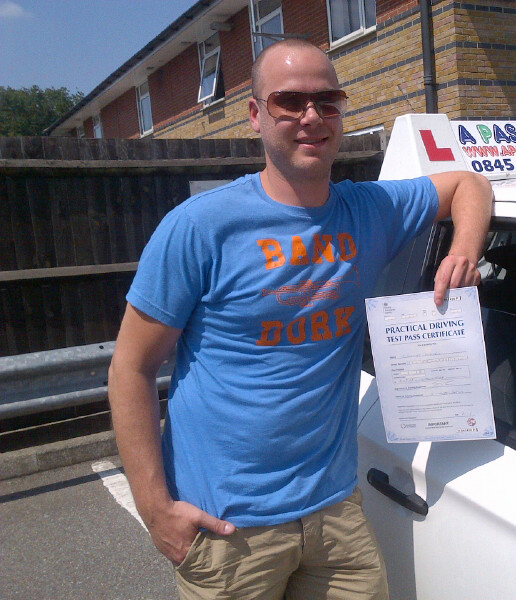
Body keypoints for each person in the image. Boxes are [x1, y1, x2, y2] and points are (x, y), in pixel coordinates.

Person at [108, 39, 493, 600]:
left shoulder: (370, 210)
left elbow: (469, 184)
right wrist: (155, 508)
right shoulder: (200, 227)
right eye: (290, 101)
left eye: (327, 101)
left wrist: (463, 250)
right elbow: (130, 368)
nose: (311, 117)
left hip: (335, 511)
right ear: (256, 114)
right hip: (228, 527)